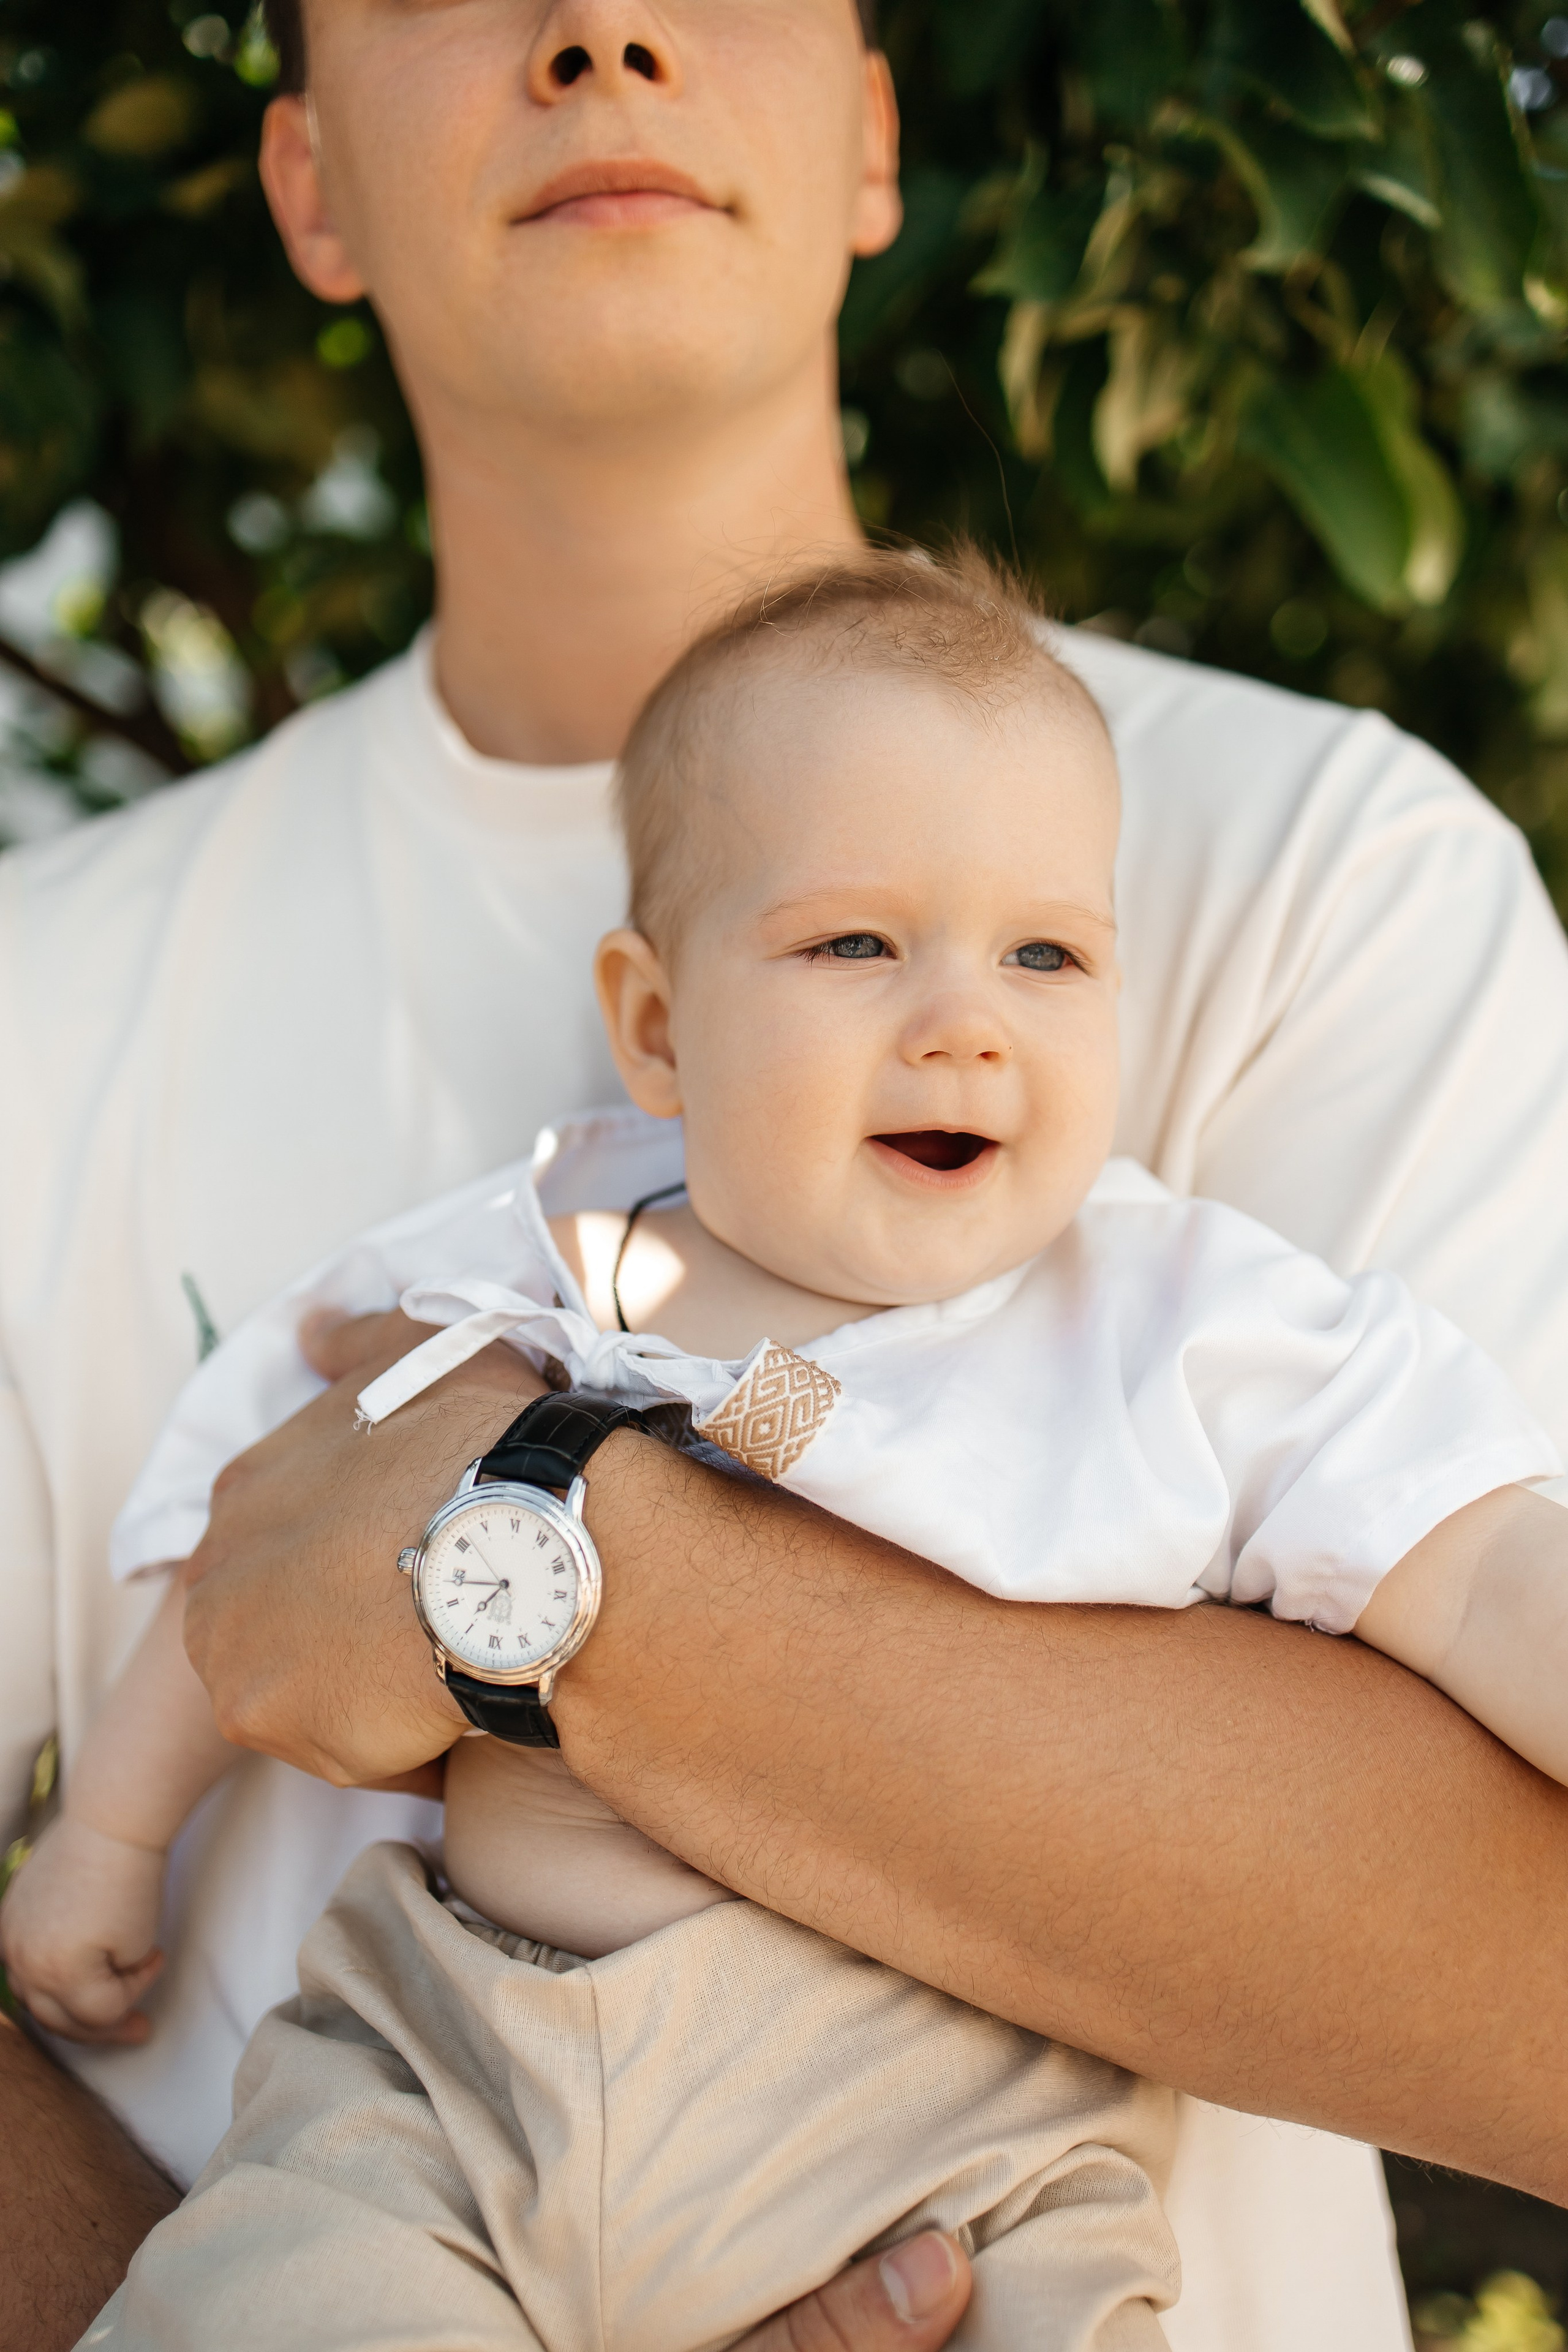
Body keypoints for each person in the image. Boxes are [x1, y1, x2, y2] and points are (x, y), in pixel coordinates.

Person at [4, 2, 1568, 2346]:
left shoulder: (1329, 878)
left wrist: (500, 1550)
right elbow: (231, 1560)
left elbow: (1528, 1983)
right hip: (415, 2151)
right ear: (306, 177)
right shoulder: (52, 1003)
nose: (602, 28)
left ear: (871, 131)